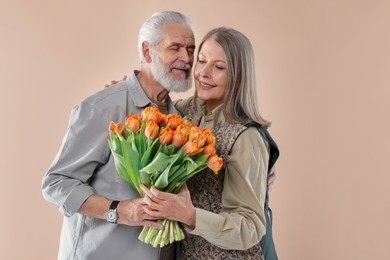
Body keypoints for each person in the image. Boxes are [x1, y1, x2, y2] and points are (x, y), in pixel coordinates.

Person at [41, 11, 196, 260]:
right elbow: (56, 183)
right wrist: (118, 210)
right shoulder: (104, 107)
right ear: (147, 52)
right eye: (175, 47)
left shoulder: (179, 118)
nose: (186, 58)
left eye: (190, 49)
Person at [140, 27, 279, 259]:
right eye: (202, 61)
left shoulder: (247, 137)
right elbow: (147, 109)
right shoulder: (184, 112)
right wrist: (123, 92)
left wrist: (190, 216)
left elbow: (251, 227)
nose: (204, 73)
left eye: (219, 67)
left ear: (238, 75)